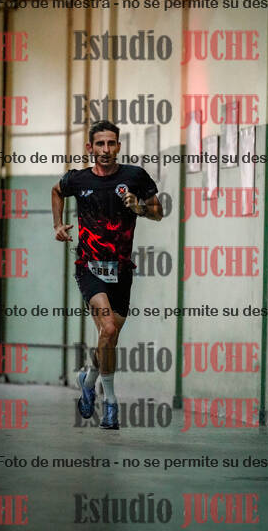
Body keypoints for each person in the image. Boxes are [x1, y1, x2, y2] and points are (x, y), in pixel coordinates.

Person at [51, 120, 163, 429]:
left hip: (122, 270)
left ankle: (88, 380)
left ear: (118, 146)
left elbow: (158, 211)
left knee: (108, 337)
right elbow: (56, 190)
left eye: (111, 143)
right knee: (109, 328)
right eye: (99, 144)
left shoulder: (135, 177)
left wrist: (139, 207)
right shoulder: (77, 179)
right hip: (89, 267)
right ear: (90, 148)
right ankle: (111, 402)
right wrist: (57, 224)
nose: (105, 149)